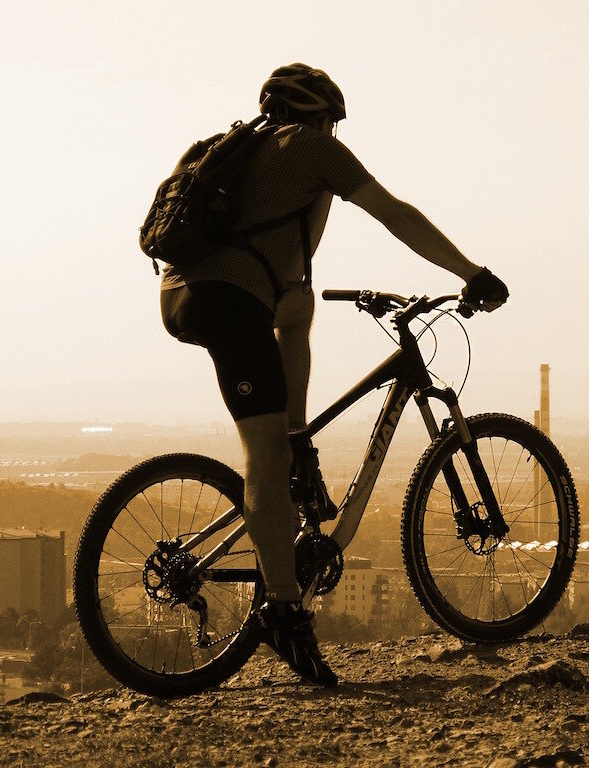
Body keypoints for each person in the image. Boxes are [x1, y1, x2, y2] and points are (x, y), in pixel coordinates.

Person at [160, 63, 509, 687]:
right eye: (335, 122)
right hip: (228, 300)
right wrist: (470, 272)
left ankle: (296, 445)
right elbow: (395, 213)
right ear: (319, 117)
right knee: (262, 458)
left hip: (193, 292)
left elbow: (293, 300)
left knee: (296, 318)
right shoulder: (314, 150)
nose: (338, 133)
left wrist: (302, 435)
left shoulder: (238, 154)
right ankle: (284, 614)